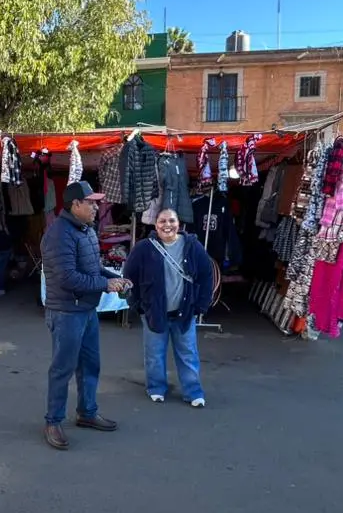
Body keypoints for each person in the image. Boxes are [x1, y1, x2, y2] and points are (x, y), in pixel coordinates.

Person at [39, 180, 129, 450]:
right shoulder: (58, 234)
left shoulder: (85, 229)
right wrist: (106, 285)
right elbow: (68, 278)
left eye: (96, 201)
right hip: (66, 312)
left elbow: (93, 267)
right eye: (91, 202)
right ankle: (53, 421)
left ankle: (87, 413)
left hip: (86, 310)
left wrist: (117, 278)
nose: (96, 206)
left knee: (90, 365)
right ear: (75, 204)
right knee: (62, 369)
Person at [123, 208, 215, 407]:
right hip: (154, 313)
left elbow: (206, 275)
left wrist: (200, 305)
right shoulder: (143, 248)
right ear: (155, 225)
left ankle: (193, 392)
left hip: (184, 312)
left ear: (179, 224)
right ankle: (156, 387)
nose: (168, 225)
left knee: (188, 353)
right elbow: (129, 276)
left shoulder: (192, 246)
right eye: (163, 221)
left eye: (172, 220)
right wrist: (137, 305)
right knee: (154, 354)